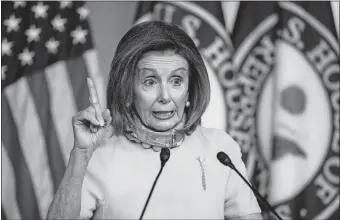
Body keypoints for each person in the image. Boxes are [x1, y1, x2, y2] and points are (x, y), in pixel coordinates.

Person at [47, 21, 263, 220]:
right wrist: (81, 155)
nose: (165, 96)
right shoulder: (97, 155)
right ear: (127, 90)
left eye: (176, 81)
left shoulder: (220, 150)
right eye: (150, 81)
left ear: (189, 91)